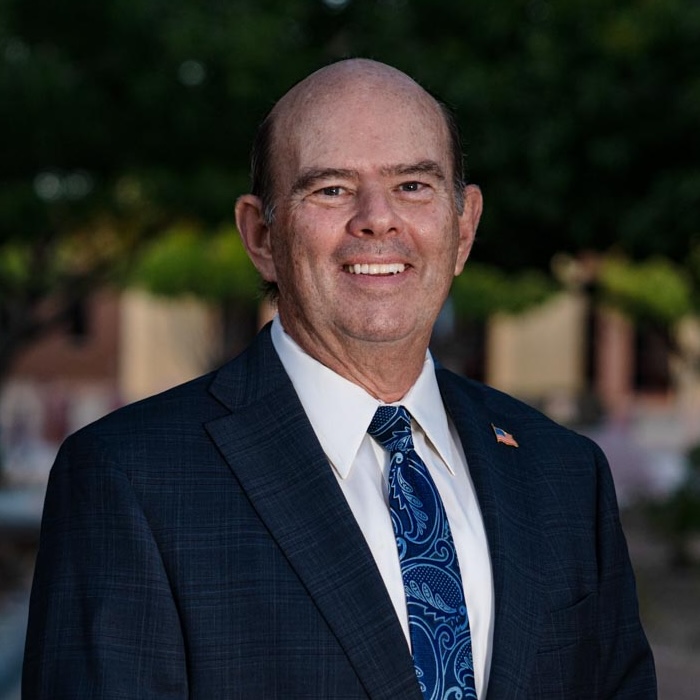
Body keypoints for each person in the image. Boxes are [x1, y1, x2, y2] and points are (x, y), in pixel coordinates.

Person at [23, 58, 656, 699]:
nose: (378, 219)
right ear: (261, 236)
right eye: (330, 189)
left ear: (464, 227)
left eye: (413, 185)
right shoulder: (131, 480)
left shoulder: (564, 473)